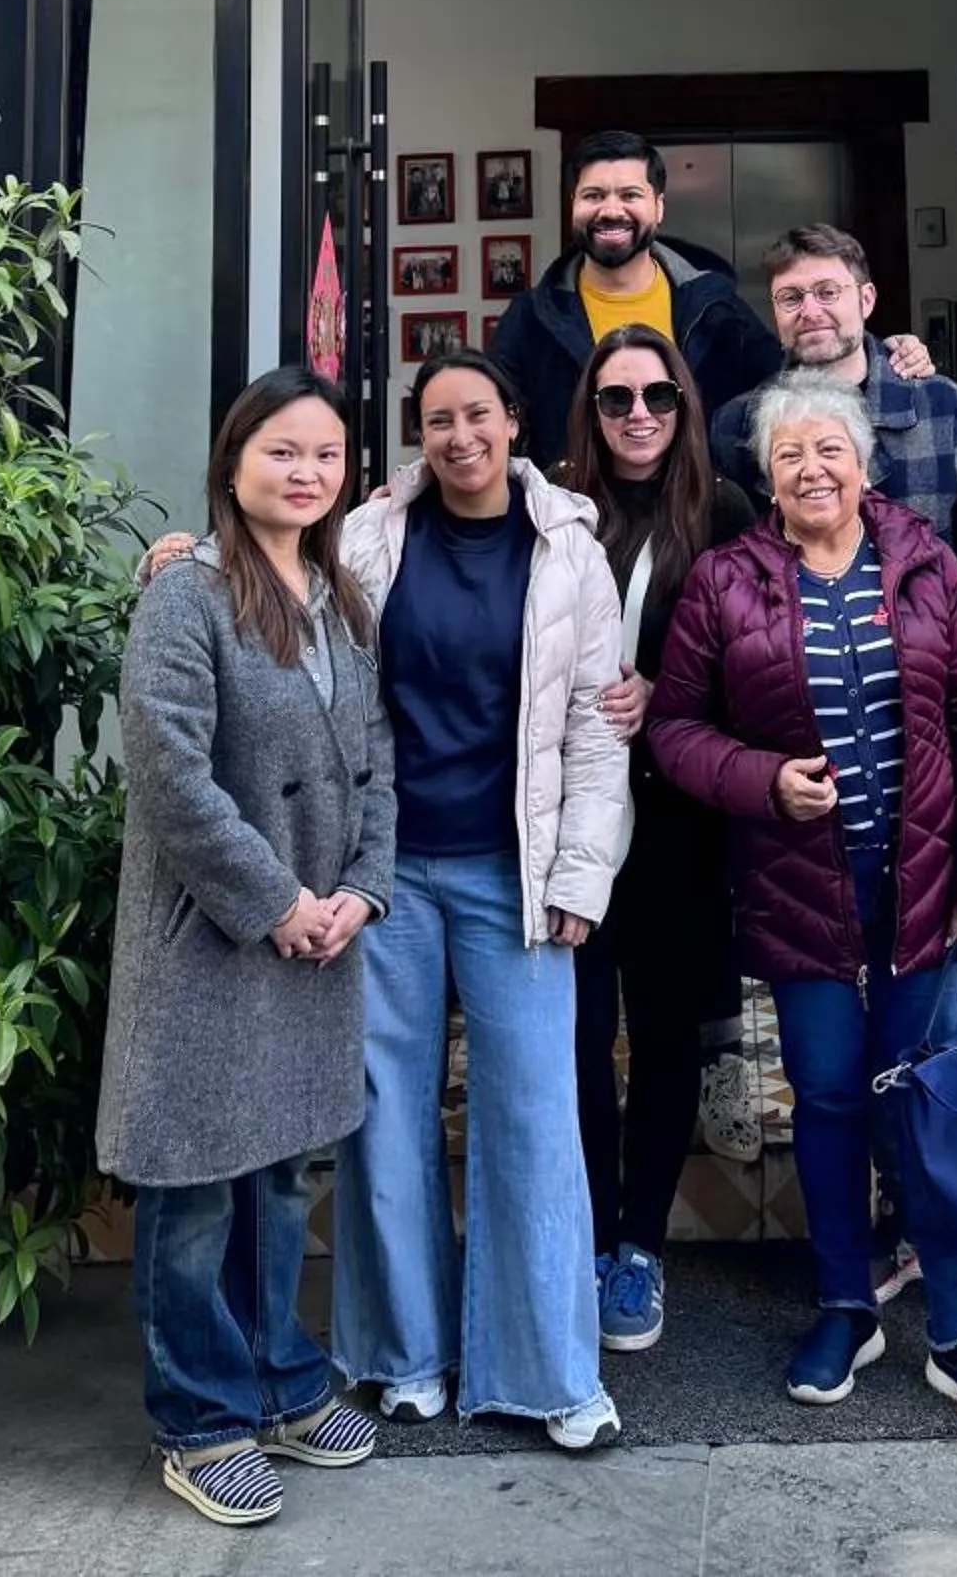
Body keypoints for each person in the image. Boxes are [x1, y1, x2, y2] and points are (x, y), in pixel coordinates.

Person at [712, 223, 957, 1348]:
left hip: (939, 754)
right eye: (791, 296)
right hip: (813, 801)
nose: (810, 311)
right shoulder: (743, 426)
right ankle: (878, 1246)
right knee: (839, 1059)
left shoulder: (940, 407)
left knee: (946, 1045)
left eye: (828, 290)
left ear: (868, 298)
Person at [649, 378, 957, 1450]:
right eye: (789, 456)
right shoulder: (726, 580)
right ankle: (846, 1306)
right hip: (796, 886)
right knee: (824, 1096)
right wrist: (764, 780)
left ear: (865, 465)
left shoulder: (926, 564)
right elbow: (675, 730)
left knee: (933, 1104)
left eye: (830, 450)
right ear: (766, 479)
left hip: (921, 886)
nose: (811, 469)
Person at [97, 367, 395, 1532]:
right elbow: (170, 777)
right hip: (213, 942)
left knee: (282, 1174)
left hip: (319, 943)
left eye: (326, 454)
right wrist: (276, 901)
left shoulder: (341, 599)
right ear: (232, 464)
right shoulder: (187, 595)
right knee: (193, 1187)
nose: (307, 472)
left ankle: (280, 1383)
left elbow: (378, 763)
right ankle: (200, 1419)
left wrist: (361, 893)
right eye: (282, 451)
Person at [326, 347, 629, 1447]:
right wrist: (179, 559)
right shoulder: (369, 536)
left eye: (478, 415)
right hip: (388, 872)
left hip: (518, 874)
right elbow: (269, 576)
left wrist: (582, 873)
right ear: (420, 434)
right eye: (438, 420)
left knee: (535, 1116)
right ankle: (405, 1355)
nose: (460, 437)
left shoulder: (569, 549)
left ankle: (549, 1376)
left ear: (513, 422)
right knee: (385, 1112)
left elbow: (596, 726)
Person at [560, 326, 757, 1353]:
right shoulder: (555, 507)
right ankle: (591, 1237)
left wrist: (673, 694)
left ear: (684, 405)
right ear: (589, 413)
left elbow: (763, 656)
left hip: (681, 817)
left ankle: (640, 1246)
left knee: (668, 1030)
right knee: (583, 1033)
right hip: (576, 817)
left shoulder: (724, 512)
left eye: (657, 397)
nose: (638, 415)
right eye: (615, 398)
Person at [489, 130, 938, 477]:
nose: (611, 210)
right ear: (573, 205)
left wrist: (882, 352)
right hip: (575, 532)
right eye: (594, 195)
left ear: (658, 207)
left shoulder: (714, 306)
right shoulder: (532, 317)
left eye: (629, 195)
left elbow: (796, 376)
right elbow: (492, 419)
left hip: (697, 527)